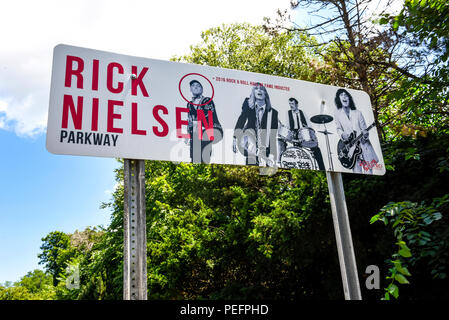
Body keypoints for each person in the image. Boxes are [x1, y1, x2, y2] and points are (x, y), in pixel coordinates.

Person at [233, 83, 279, 167]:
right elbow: (241, 120)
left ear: (265, 94)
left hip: (265, 148)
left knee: (265, 174)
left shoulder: (273, 113)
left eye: (262, 89)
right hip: (251, 144)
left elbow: (273, 136)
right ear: (253, 92)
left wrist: (272, 154)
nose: (259, 90)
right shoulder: (248, 105)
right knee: (251, 172)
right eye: (256, 89)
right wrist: (235, 138)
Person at [333, 88, 378, 173]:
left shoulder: (358, 113)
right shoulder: (338, 114)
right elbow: (338, 128)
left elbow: (364, 129)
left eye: (346, 95)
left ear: (349, 98)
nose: (344, 97)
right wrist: (343, 135)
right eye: (341, 95)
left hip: (363, 146)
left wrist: (365, 135)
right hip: (350, 148)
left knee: (369, 172)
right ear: (339, 99)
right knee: (357, 172)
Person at [278, 97, 326, 170]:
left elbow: (309, 126)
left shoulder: (302, 112)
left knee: (317, 149)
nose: (291, 105)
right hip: (295, 136)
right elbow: (288, 126)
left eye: (292, 104)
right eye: (290, 104)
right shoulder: (288, 113)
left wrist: (308, 130)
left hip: (304, 134)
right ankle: (283, 163)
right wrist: (288, 132)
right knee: (282, 141)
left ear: (297, 104)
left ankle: (322, 168)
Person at [186, 80, 222, 164]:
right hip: (195, 134)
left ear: (202, 89)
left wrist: (195, 123)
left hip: (208, 131)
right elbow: (190, 119)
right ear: (190, 89)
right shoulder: (189, 104)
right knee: (194, 159)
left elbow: (208, 116)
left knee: (204, 157)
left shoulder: (207, 100)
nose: (195, 87)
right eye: (193, 85)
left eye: (198, 85)